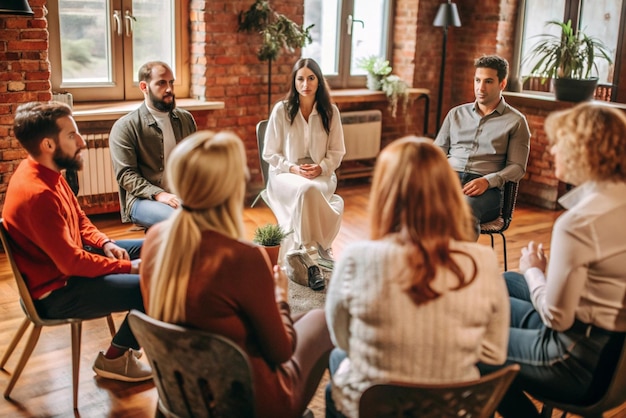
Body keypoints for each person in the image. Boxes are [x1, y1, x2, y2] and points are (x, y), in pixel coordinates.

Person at [139, 130, 335, 418]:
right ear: (229, 189)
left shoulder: (156, 239)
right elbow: (281, 351)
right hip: (246, 402)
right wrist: (280, 297)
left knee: (307, 318)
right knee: (321, 319)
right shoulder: (242, 258)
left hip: (186, 390)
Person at [325, 136, 510, 418]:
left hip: (376, 407)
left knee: (337, 367)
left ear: (385, 193)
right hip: (451, 408)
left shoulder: (356, 258)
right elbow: (494, 353)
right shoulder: (483, 262)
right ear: (449, 193)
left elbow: (342, 338)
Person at [479, 103, 626, 418]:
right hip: (615, 352)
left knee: (475, 344)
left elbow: (557, 319)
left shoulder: (581, 222)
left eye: (561, 141)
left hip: (578, 359)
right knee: (504, 283)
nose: (553, 149)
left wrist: (534, 272)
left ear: (582, 151)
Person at [2, 101, 151, 382]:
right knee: (151, 286)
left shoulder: (46, 170)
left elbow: (79, 218)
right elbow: (71, 263)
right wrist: (130, 268)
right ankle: (115, 360)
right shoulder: (38, 194)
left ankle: (141, 335)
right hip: (58, 291)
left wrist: (105, 243)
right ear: (48, 144)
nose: (81, 142)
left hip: (68, 264)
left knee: (153, 248)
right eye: (71, 135)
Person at [263, 58, 346, 287]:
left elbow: (337, 152)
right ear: (294, 81)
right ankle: (314, 258)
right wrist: (293, 168)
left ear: (319, 82)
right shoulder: (281, 110)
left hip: (322, 174)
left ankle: (304, 258)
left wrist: (322, 167)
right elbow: (270, 153)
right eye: (300, 78)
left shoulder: (331, 112)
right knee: (306, 191)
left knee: (309, 191)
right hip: (285, 174)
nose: (305, 83)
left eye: (311, 78)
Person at [435, 55, 530, 236]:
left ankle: (461, 263)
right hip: (448, 179)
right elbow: (437, 151)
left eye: (488, 81)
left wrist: (488, 181)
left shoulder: (516, 121)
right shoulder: (456, 114)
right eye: (477, 80)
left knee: (464, 211)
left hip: (486, 188)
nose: (480, 87)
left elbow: (517, 168)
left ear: (502, 84)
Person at [109, 60, 197, 229]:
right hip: (142, 200)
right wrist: (159, 194)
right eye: (161, 83)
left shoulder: (186, 119)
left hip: (182, 193)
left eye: (171, 82)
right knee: (183, 221)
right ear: (144, 87)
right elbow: (126, 175)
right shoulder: (125, 127)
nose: (170, 89)